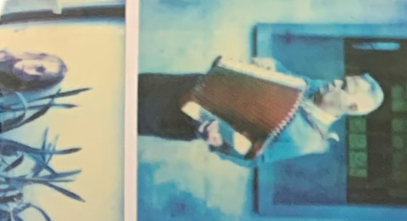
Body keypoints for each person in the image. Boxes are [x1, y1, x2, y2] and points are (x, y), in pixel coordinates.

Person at [137, 62, 383, 163]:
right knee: (138, 83)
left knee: (133, 116)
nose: (335, 82)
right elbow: (290, 80)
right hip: (199, 83)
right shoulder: (319, 87)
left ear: (352, 107)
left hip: (193, 114)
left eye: (343, 87)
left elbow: (253, 158)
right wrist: (272, 65)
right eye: (342, 79)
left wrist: (219, 143)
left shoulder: (307, 140)